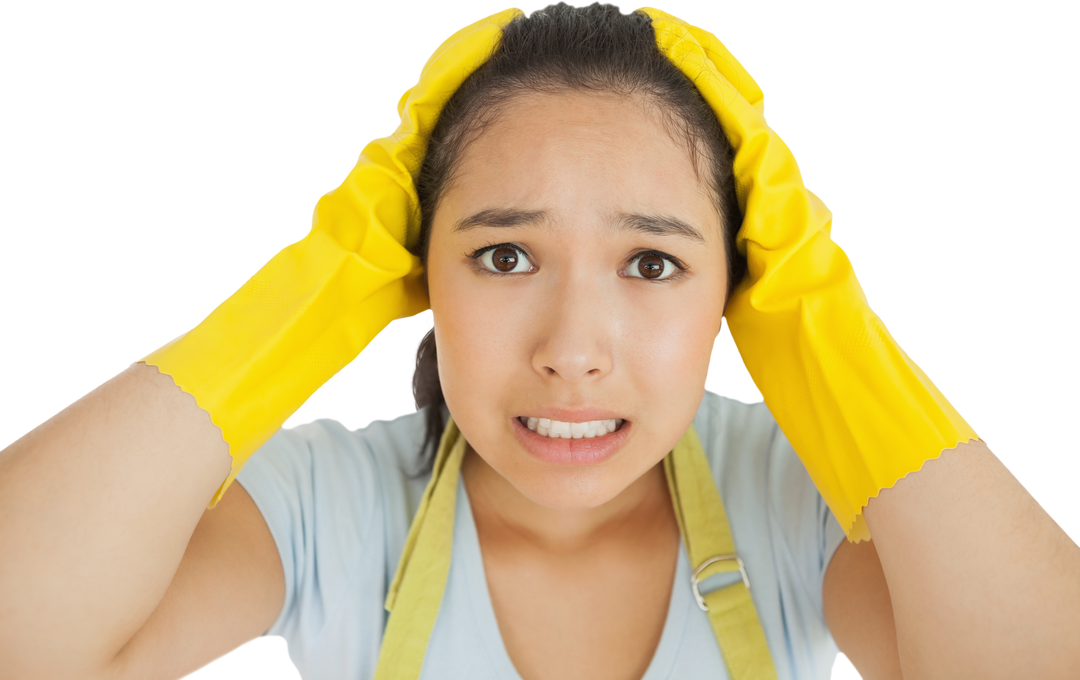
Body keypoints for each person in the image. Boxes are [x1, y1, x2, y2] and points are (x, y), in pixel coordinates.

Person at [1, 3, 1077, 680]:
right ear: (417, 271)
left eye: (652, 263)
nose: (573, 348)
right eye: (505, 256)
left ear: (739, 290)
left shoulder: (801, 500)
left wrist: (822, 323)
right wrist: (315, 290)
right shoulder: (333, 503)